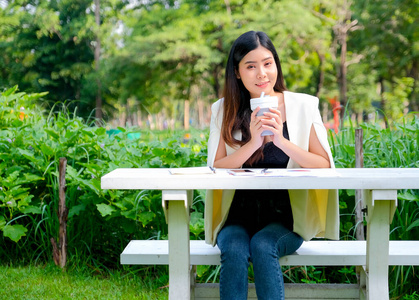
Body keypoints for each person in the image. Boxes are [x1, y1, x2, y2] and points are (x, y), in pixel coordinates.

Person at [204, 31, 339, 300]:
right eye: (251, 66)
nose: (261, 73)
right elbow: (217, 166)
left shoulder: (302, 105)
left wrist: (280, 140)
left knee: (264, 245)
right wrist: (253, 144)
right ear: (238, 72)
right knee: (234, 249)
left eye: (267, 63)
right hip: (237, 216)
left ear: (276, 64)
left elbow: (323, 164)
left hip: (287, 218)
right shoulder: (224, 109)